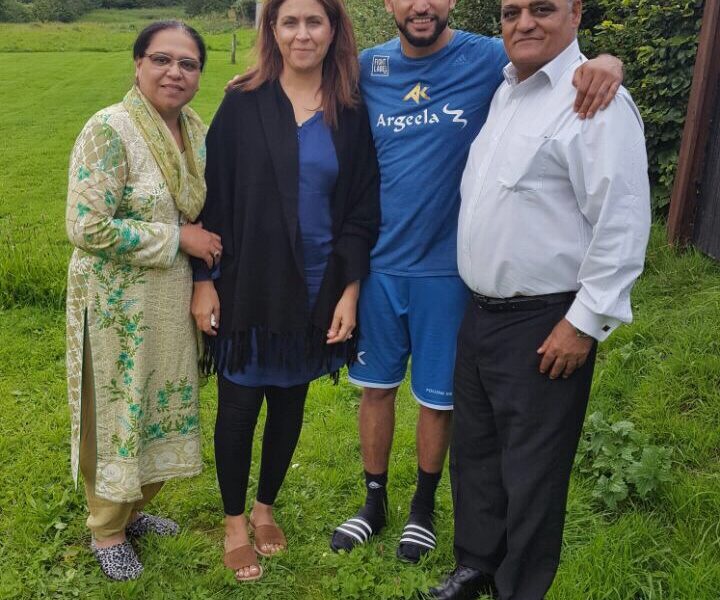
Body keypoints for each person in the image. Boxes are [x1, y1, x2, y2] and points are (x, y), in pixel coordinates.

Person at [330, 0, 624, 564]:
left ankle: (422, 508)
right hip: (380, 264)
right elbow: (303, 77)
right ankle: (373, 502)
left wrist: (608, 62)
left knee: (437, 399)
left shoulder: (490, 56)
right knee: (376, 388)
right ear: (387, 4)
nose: (421, 5)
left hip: (447, 269)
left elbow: (557, 54)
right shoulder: (366, 67)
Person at [427, 0, 651, 597]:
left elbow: (622, 222)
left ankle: (519, 588)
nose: (524, 22)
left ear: (576, 14)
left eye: (543, 9)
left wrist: (584, 323)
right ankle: (476, 563)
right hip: (478, 313)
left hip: (544, 320)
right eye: (511, 12)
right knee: (475, 454)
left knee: (531, 471)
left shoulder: (596, 104)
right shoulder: (506, 90)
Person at [191, 0, 380, 583]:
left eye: (314, 21)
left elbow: (360, 211)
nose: (303, 33)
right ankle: (232, 522)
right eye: (289, 21)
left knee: (289, 404)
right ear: (271, 30)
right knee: (240, 405)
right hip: (249, 287)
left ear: (333, 30)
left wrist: (349, 292)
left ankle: (266, 507)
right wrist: (203, 282)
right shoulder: (243, 101)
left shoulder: (349, 110)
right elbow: (212, 201)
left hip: (317, 287)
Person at [65, 21, 220, 581]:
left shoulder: (196, 131)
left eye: (188, 63)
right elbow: (85, 226)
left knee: (157, 407)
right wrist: (177, 239)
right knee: (115, 414)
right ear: (137, 65)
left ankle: (133, 511)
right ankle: (106, 529)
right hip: (114, 308)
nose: (175, 72)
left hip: (169, 300)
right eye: (162, 59)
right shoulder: (109, 129)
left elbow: (201, 209)